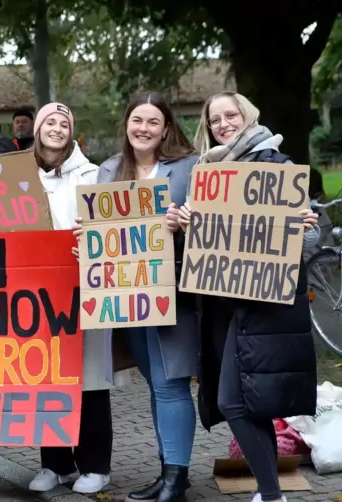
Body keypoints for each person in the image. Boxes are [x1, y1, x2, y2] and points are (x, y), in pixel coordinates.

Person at [177, 92, 319, 502]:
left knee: (233, 402)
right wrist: (186, 223)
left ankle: (272, 495)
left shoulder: (278, 165)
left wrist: (305, 226)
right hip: (222, 308)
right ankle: (271, 493)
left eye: (230, 115)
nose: (223, 124)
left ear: (247, 116)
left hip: (262, 310)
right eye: (214, 119)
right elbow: (203, 246)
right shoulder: (206, 172)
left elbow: (308, 241)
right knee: (247, 404)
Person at [97, 92, 200, 502]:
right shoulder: (108, 170)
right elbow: (96, 226)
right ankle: (169, 471)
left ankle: (176, 480)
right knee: (156, 384)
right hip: (125, 292)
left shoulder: (189, 168)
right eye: (137, 120)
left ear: (166, 128)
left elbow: (210, 221)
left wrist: (185, 222)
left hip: (173, 289)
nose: (144, 128)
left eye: (153, 122)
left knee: (171, 382)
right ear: (126, 124)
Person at [29, 103, 119, 495]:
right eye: (50, 121)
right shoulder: (18, 178)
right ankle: (55, 463)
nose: (57, 128)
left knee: (89, 379)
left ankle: (96, 464)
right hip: (36, 294)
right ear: (37, 130)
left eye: (64, 123)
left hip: (85, 289)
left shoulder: (94, 175)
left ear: (72, 133)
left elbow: (110, 229)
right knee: (45, 377)